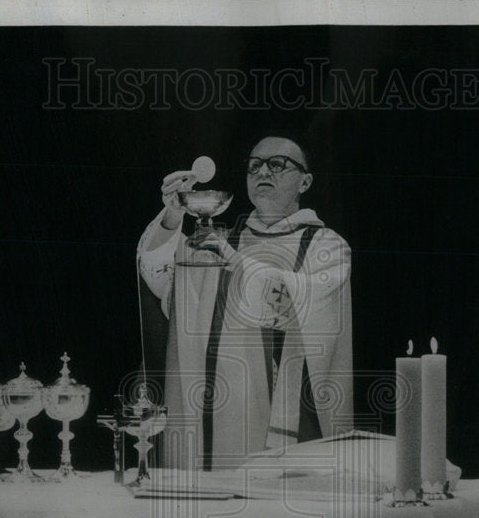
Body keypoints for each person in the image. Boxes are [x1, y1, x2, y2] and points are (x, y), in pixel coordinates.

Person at [137, 136, 353, 470]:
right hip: (212, 413)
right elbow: (166, 288)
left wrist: (235, 262)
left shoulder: (327, 247)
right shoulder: (224, 240)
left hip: (277, 418)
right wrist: (172, 215)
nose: (263, 171)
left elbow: (294, 313)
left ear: (305, 181)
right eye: (254, 165)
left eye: (277, 164)